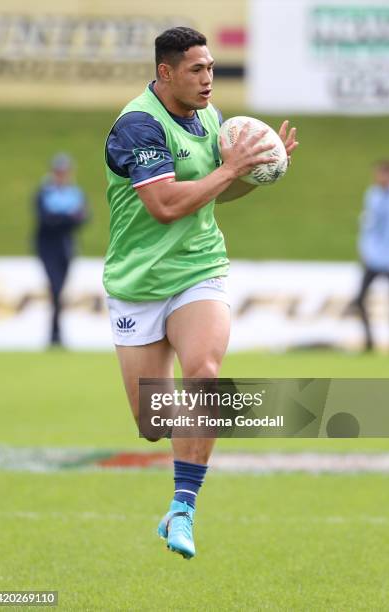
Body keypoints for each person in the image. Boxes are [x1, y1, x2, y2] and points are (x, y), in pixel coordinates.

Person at [103, 27, 298, 559]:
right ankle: (177, 503)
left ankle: (184, 506)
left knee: (206, 374)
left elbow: (213, 197)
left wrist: (257, 170)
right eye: (196, 70)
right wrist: (231, 168)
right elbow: (166, 205)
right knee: (154, 422)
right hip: (139, 282)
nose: (208, 78)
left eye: (211, 68)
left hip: (199, 270)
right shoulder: (137, 126)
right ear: (165, 72)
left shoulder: (209, 119)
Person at [34, 153, 88, 346]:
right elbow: (46, 220)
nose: (61, 175)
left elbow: (83, 218)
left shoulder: (75, 192)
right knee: (55, 288)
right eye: (58, 171)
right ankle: (54, 333)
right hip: (47, 246)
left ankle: (56, 332)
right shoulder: (43, 192)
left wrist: (61, 219)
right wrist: (68, 218)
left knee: (60, 290)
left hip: (66, 245)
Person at [352, 160, 389, 351]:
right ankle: (369, 344)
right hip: (374, 259)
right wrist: (365, 250)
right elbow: (369, 227)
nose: (378, 178)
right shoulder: (372, 194)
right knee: (359, 300)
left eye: (382, 174)